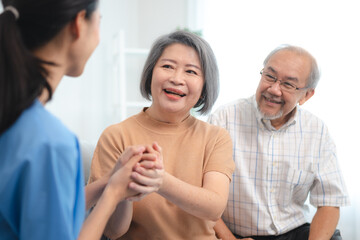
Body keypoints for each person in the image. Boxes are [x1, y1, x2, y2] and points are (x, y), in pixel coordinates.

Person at [0, 1, 163, 239]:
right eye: (99, 21)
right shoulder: (52, 143)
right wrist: (113, 193)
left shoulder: (18, 123)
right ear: (78, 24)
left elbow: (43, 206)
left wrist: (108, 181)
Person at [88, 30, 235, 239]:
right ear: (150, 75)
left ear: (204, 88)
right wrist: (125, 188)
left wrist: (159, 181)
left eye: (191, 72)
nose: (176, 79)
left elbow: (214, 208)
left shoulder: (216, 137)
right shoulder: (116, 135)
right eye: (167, 66)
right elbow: (113, 231)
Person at [208, 45, 349, 240]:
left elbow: (330, 201)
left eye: (288, 85)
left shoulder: (316, 130)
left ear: (306, 95)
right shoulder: (224, 118)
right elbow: (203, 193)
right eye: (270, 77)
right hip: (235, 233)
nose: (274, 89)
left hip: (295, 231)